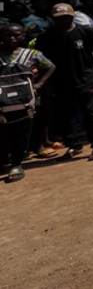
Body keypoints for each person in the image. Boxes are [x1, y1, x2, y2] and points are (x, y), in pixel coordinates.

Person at [37, 4, 93, 161]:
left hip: (85, 78)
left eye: (66, 17)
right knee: (65, 115)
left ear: (72, 16)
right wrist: (46, 84)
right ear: (53, 19)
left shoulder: (86, 31)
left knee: (90, 113)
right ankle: (74, 145)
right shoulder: (47, 37)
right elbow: (41, 62)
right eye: (59, 18)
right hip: (60, 82)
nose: (63, 20)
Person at [0, 24, 54, 182]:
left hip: (24, 101)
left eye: (16, 35)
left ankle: (16, 164)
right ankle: (4, 160)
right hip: (1, 103)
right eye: (7, 35)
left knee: (22, 132)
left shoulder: (32, 54)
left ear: (23, 36)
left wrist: (39, 84)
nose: (12, 38)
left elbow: (50, 66)